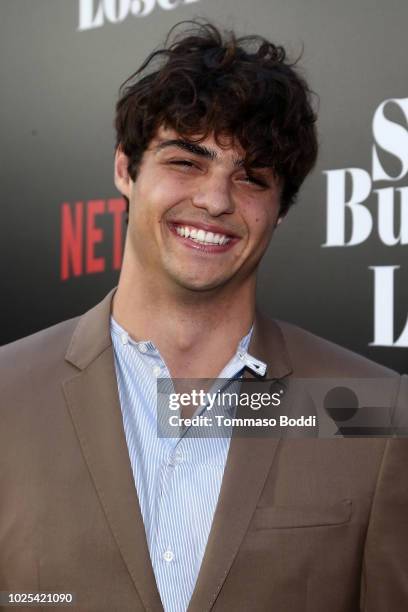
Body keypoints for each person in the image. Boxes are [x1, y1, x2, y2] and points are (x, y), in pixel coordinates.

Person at [0, 21, 407, 612]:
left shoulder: (371, 409)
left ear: (280, 212)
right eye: (187, 161)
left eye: (251, 177)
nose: (216, 199)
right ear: (124, 169)